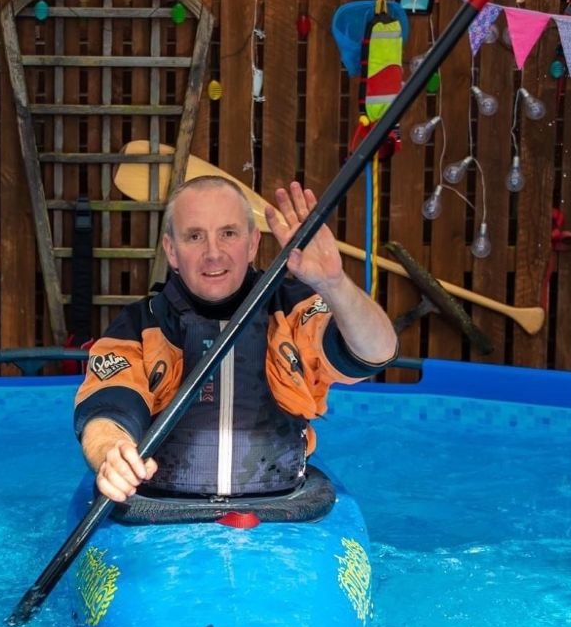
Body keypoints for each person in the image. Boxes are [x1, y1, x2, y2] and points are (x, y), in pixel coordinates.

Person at [74, 175, 398, 503]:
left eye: (228, 233)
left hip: (284, 511)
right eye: (195, 236)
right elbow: (108, 409)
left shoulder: (294, 311)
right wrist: (112, 452)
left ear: (253, 244)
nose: (213, 253)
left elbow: (375, 354)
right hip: (159, 509)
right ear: (171, 250)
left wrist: (334, 283)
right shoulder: (138, 326)